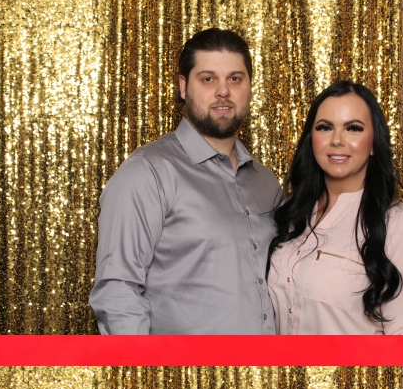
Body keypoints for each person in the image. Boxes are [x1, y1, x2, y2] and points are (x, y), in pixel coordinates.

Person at [90, 28, 281, 335]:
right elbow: (118, 293)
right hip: (182, 367)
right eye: (208, 79)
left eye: (235, 78)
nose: (223, 91)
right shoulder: (147, 173)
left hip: (268, 364)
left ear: (249, 87)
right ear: (183, 86)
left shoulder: (266, 183)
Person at [267, 81, 403, 336]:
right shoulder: (290, 210)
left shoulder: (398, 225)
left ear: (373, 143)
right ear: (312, 139)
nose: (337, 140)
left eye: (353, 128)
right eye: (325, 127)